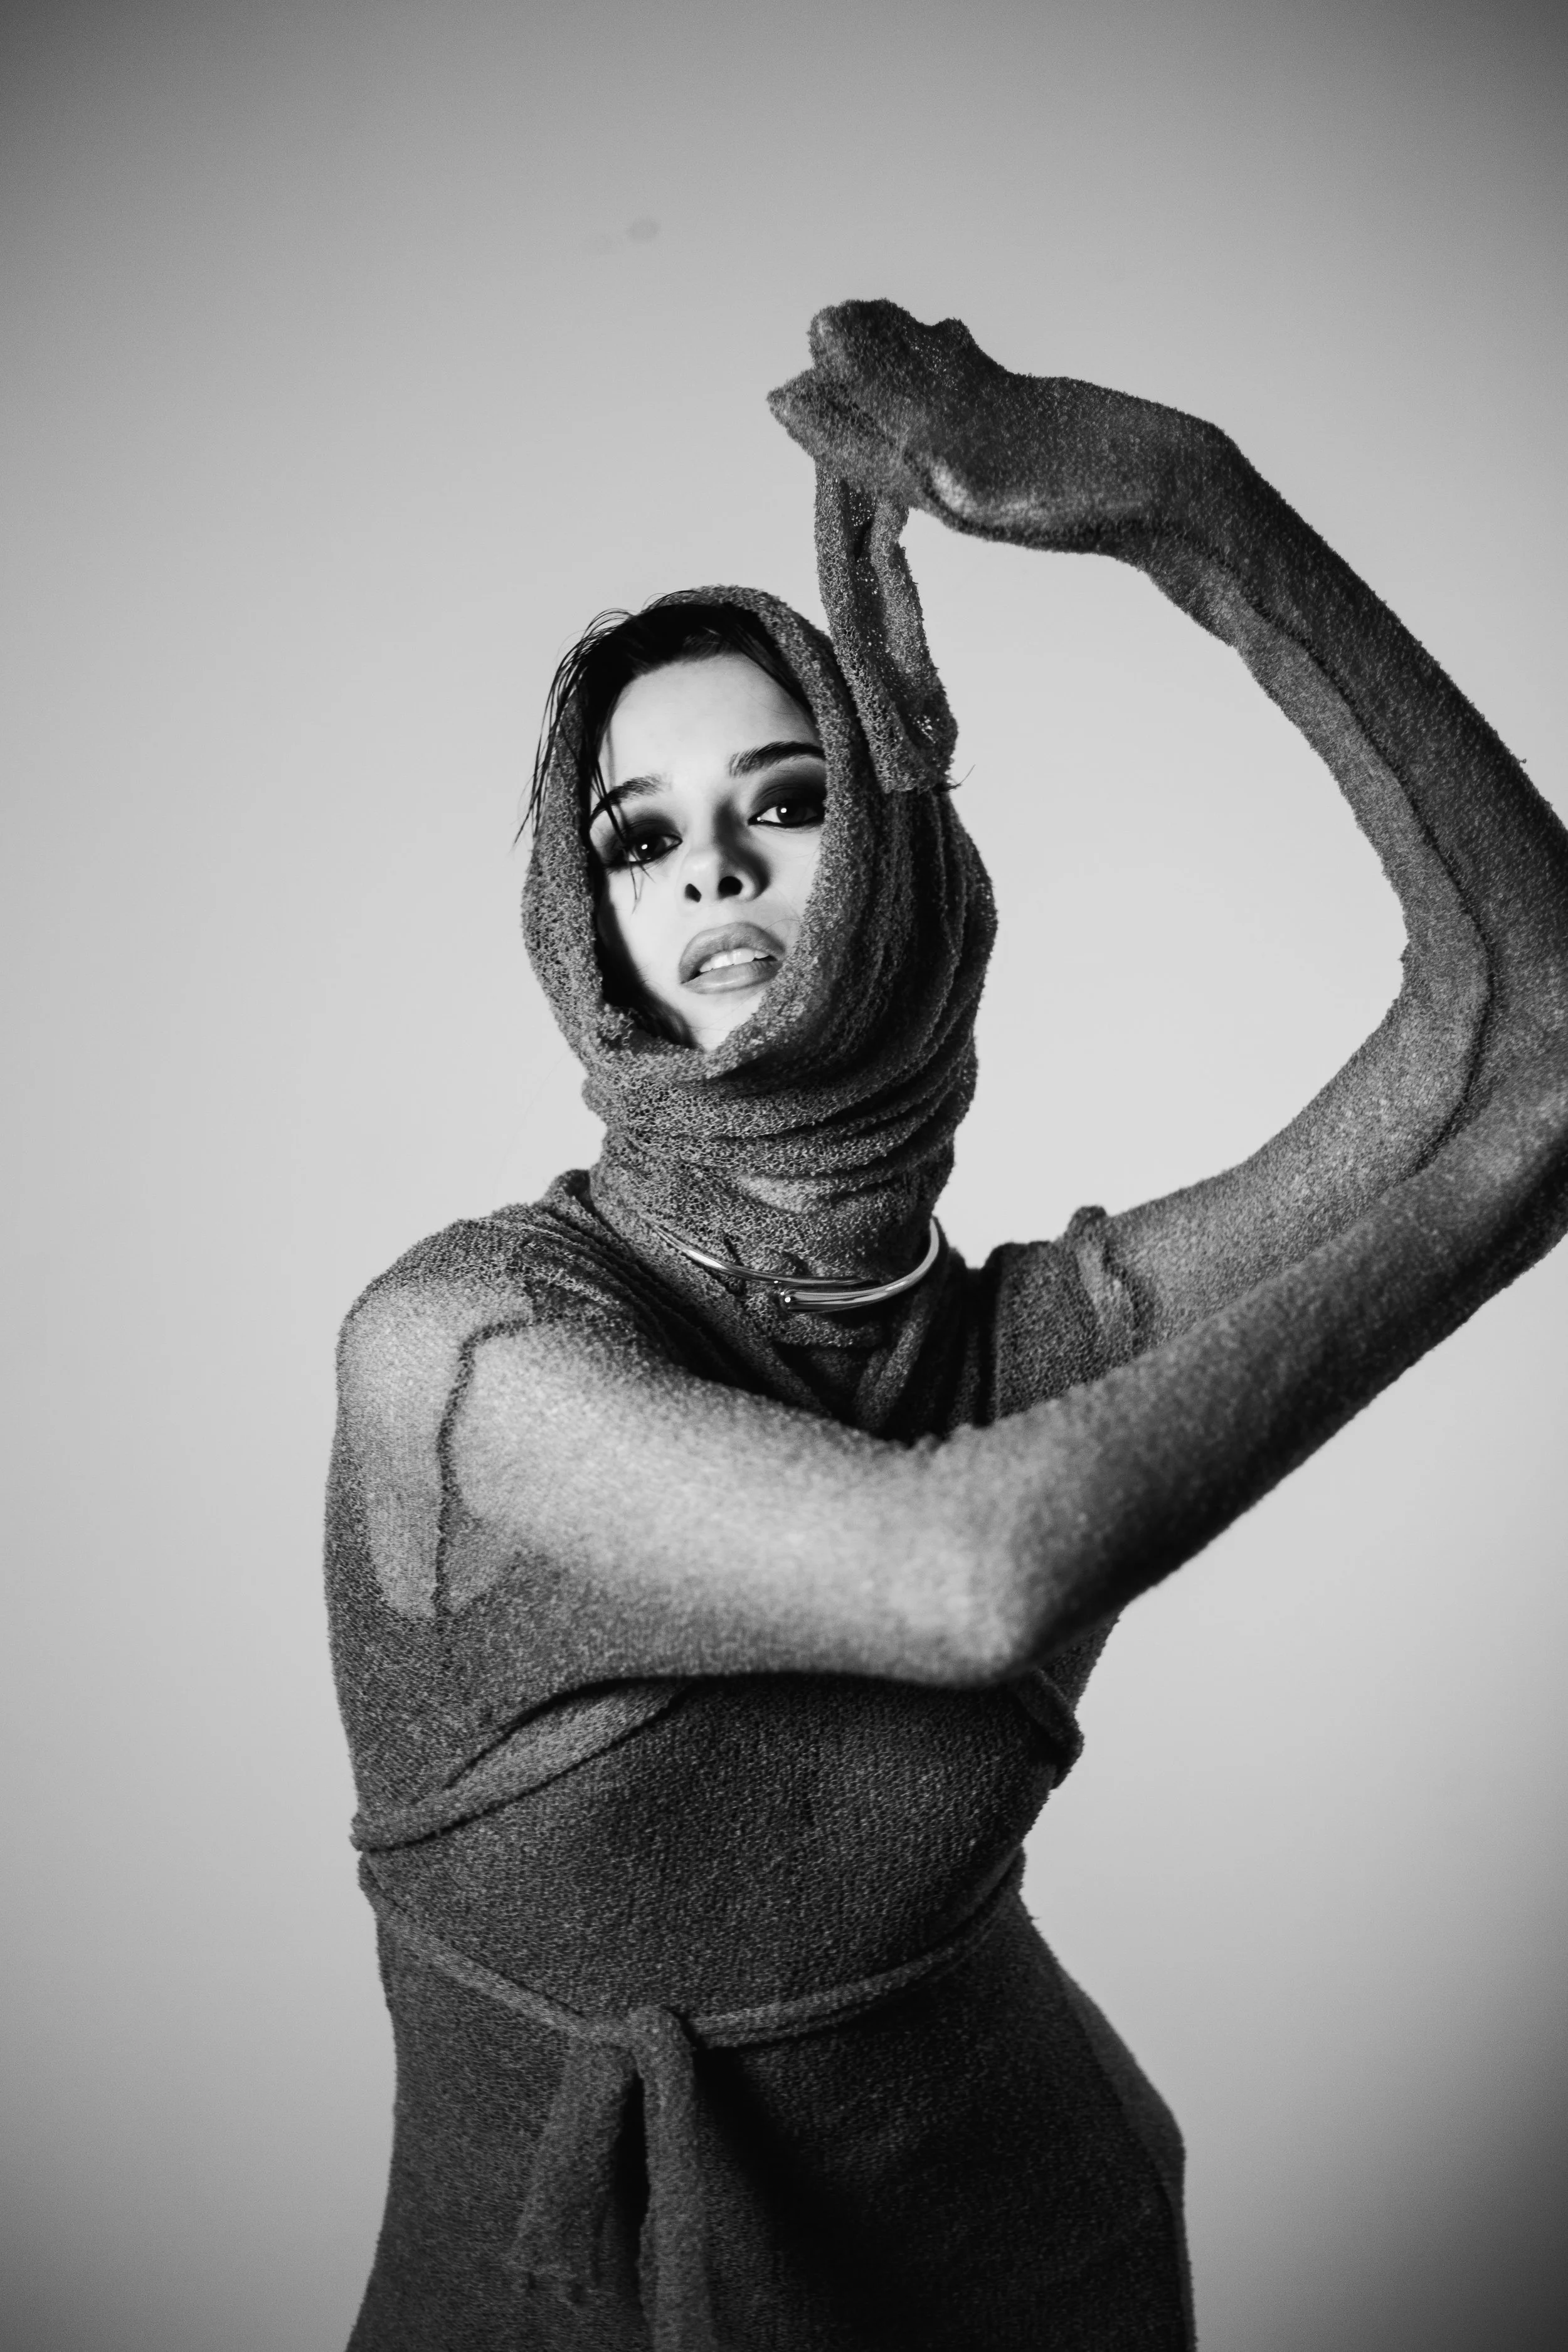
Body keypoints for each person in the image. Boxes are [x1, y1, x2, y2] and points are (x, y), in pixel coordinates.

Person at [327, 300, 1568, 2352]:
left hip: (1035, 2267)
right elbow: (966, 1570)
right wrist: (1508, 1185)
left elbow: (1520, 1015)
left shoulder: (1021, 1351)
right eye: (638, 834)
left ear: (892, 838)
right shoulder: (461, 1357)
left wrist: (1192, 503)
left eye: (787, 797)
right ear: (586, 918)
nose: (711, 860)